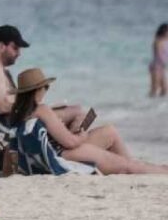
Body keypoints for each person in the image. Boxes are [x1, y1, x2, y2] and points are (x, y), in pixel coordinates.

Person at [10, 68, 168, 174]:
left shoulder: (20, 113)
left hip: (53, 153)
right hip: (62, 155)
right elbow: (71, 142)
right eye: (46, 87)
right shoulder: (42, 109)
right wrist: (82, 136)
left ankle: (137, 167)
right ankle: (154, 170)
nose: (46, 91)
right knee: (126, 166)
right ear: (38, 90)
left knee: (109, 131)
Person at [0, 25, 85, 131]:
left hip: (18, 117)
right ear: (1, 46)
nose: (19, 54)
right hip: (17, 122)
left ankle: (67, 141)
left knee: (71, 110)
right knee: (78, 111)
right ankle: (70, 143)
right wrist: (34, 108)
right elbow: (2, 107)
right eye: (15, 48)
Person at [150, 23, 168, 98]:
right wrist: (164, 62)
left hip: (162, 66)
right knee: (155, 88)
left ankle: (159, 106)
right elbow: (158, 53)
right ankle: (148, 104)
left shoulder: (166, 40)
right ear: (164, 31)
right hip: (156, 66)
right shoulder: (158, 41)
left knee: (164, 89)